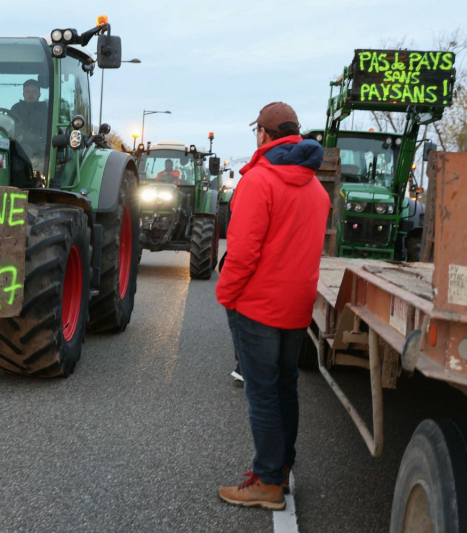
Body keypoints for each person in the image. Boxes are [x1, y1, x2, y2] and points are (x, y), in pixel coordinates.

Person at [215, 102, 329, 510]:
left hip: (258, 307)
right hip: (296, 307)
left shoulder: (260, 181)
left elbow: (242, 254)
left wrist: (226, 294)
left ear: (263, 135)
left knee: (261, 395)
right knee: (285, 389)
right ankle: (281, 471)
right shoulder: (316, 188)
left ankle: (266, 482)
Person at [10, 79, 48, 146]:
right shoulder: (15, 109)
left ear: (39, 94)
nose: (30, 94)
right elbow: (9, 127)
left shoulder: (46, 110)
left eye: (34, 92)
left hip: (42, 150)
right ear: (23, 94)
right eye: (27, 91)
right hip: (17, 148)